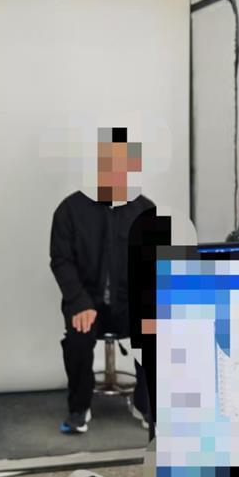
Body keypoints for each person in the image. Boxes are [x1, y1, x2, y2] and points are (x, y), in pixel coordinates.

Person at [49, 128, 154, 434]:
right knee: (78, 337)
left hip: (129, 302)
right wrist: (78, 301)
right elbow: (61, 260)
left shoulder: (146, 210)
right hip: (86, 301)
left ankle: (146, 404)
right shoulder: (69, 210)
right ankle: (79, 407)